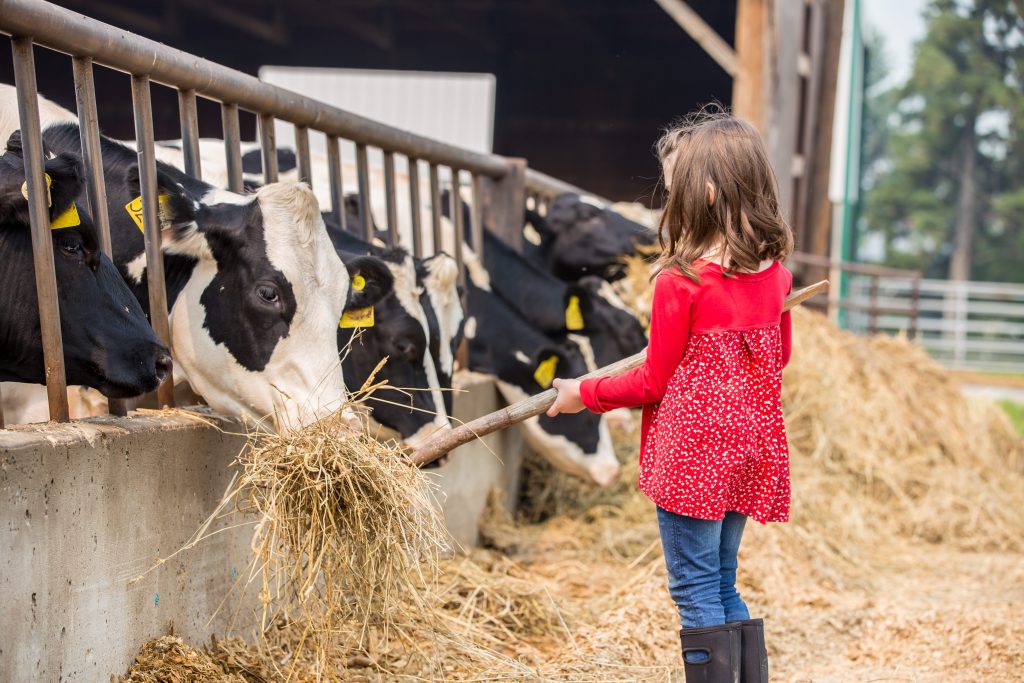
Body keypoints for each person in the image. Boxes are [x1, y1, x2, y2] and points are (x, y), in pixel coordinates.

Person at [547, 110, 794, 683]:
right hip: (749, 447)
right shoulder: (775, 275)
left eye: (675, 185)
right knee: (723, 579)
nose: (667, 198)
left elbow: (653, 381)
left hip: (696, 456)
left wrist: (583, 392)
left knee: (694, 586)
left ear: (703, 190)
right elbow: (777, 359)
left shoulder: (678, 281)